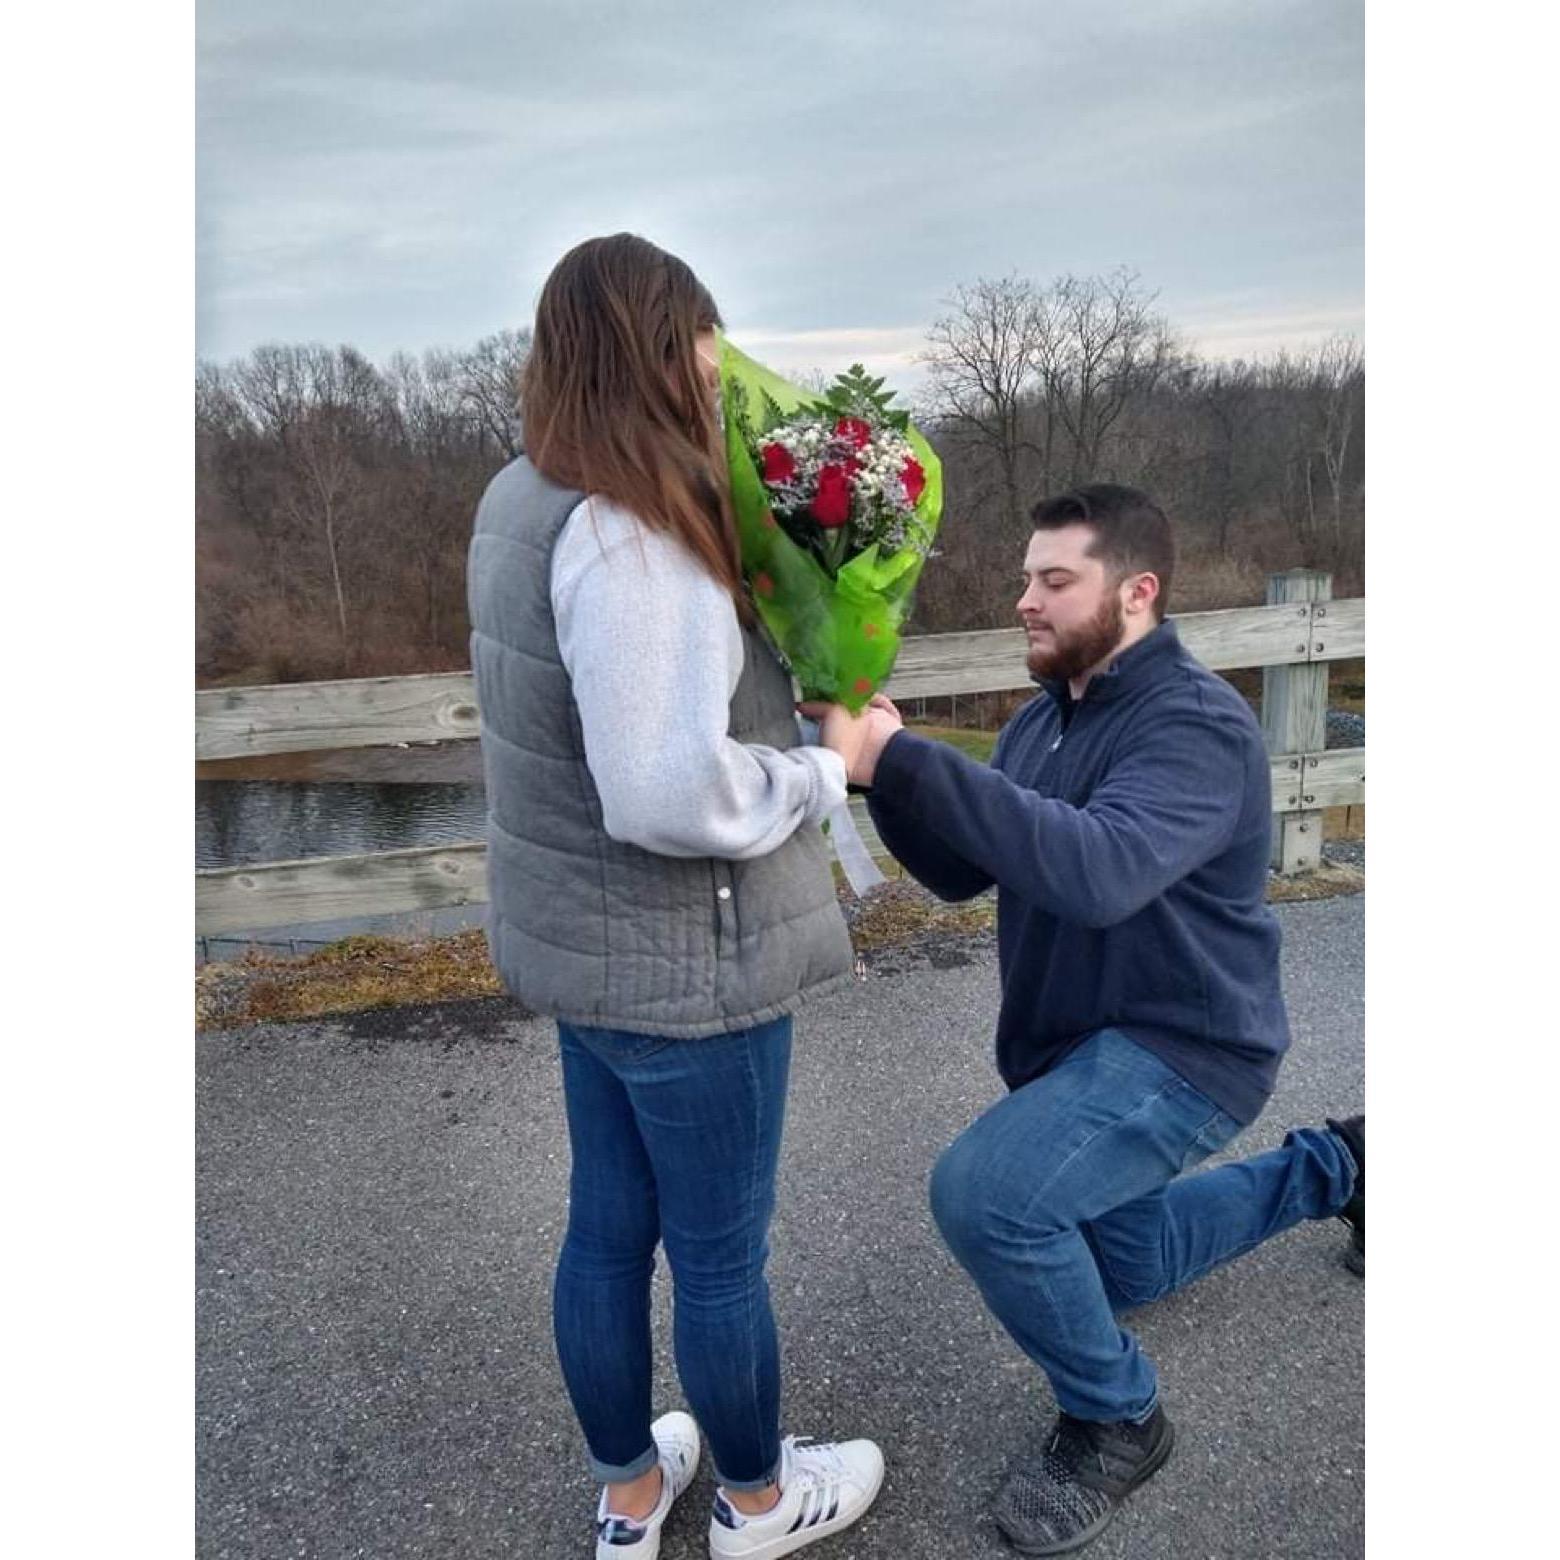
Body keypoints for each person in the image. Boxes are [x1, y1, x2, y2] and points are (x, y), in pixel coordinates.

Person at [803, 483, 1363, 1556]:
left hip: (1186, 1049)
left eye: (1055, 580)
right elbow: (968, 870)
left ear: (1137, 593)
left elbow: (1101, 872)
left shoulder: (1197, 727)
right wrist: (889, 773)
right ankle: (1343, 1168)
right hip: (1077, 1050)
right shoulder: (1041, 721)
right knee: (1127, 1269)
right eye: (1026, 578)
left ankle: (1118, 1419)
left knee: (992, 1197)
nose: (1026, 600)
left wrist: (903, 761)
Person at [466, 234, 884, 1560]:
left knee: (606, 1233)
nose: (723, 364)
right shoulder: (633, 529)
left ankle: (636, 1493)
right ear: (662, 346)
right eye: (705, 337)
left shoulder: (521, 497)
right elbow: (662, 790)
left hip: (586, 952)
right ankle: (759, 1504)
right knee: (715, 1262)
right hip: (685, 966)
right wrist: (826, 766)